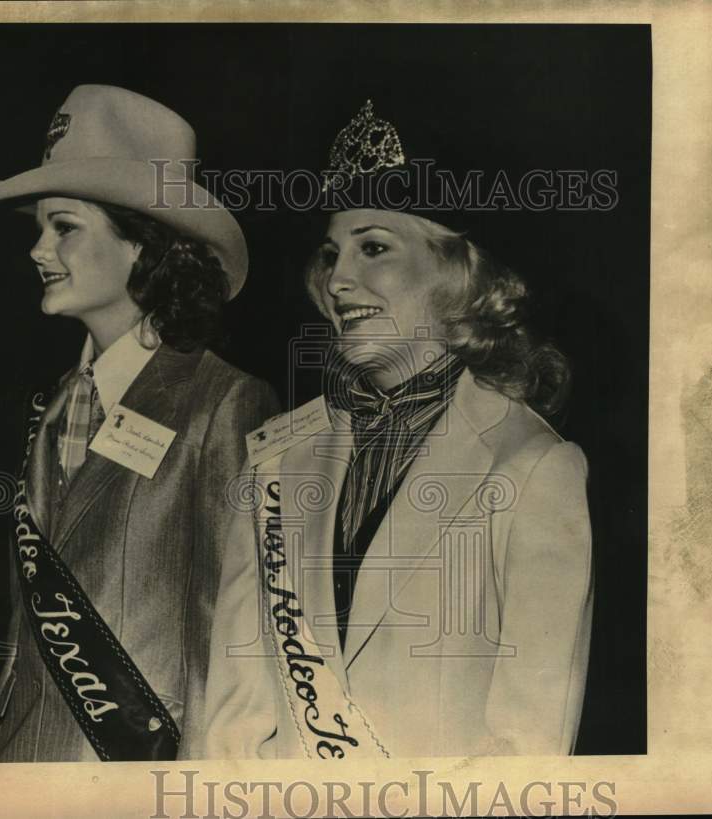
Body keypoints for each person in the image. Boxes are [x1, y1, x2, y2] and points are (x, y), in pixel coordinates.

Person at [189, 100, 593, 759]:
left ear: (462, 275)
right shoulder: (275, 457)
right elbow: (232, 723)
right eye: (331, 253)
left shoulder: (533, 466)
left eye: (374, 247)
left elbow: (527, 746)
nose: (339, 279)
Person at [0, 85, 279, 762]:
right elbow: (25, 636)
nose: (40, 250)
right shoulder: (52, 405)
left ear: (142, 246)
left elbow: (230, 639)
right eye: (38, 229)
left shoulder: (224, 402)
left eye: (64, 226)